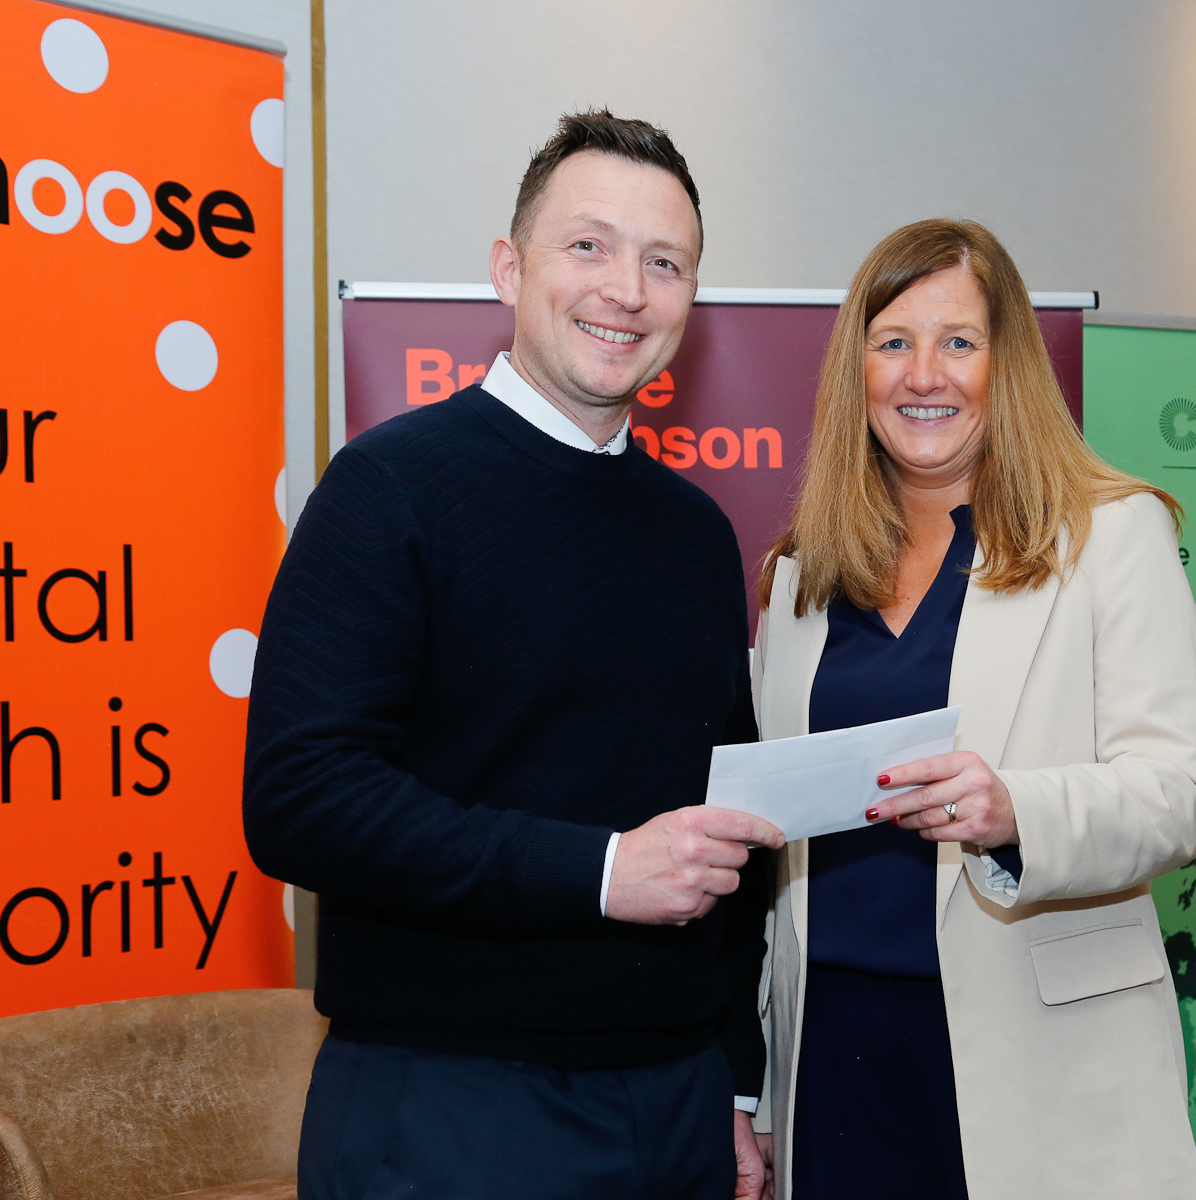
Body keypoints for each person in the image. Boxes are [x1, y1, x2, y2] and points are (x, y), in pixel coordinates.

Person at [243, 111, 784, 1200]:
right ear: (508, 268)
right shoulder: (388, 489)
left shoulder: (696, 533)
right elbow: (301, 798)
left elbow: (724, 817)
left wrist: (732, 1081)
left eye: (665, 262)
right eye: (588, 246)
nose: (625, 290)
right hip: (448, 1106)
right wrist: (599, 872)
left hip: (679, 1102)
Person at [750, 218, 1196, 1200]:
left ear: (1007, 366)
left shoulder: (1111, 536)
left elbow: (1179, 797)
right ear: (855, 371)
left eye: (958, 341)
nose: (925, 375)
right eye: (893, 342)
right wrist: (754, 1095)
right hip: (828, 1058)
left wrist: (1016, 812)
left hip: (1038, 1059)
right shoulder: (800, 574)